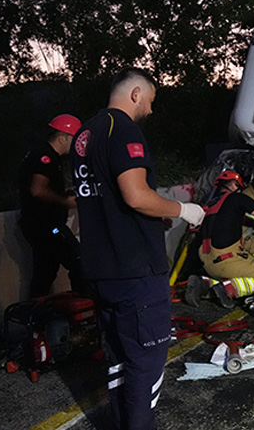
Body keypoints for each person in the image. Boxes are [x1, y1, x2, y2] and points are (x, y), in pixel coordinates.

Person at [70, 67, 205, 430]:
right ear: (135, 94)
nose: (150, 109)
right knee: (145, 366)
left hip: (100, 270)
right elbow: (135, 195)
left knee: (118, 361)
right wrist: (183, 209)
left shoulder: (85, 134)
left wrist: (153, 216)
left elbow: (110, 199)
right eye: (150, 100)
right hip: (136, 272)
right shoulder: (124, 129)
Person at [186, 170, 254, 308]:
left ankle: (205, 283)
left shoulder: (208, 205)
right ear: (234, 184)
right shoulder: (238, 198)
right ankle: (229, 289)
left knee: (233, 273)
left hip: (207, 263)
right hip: (227, 260)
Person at [18, 114, 82, 297]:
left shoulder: (43, 155)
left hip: (39, 225)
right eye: (74, 139)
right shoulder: (45, 157)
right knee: (78, 259)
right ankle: (82, 307)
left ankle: (37, 317)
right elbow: (37, 190)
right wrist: (65, 201)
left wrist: (63, 193)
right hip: (48, 226)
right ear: (63, 137)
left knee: (44, 272)